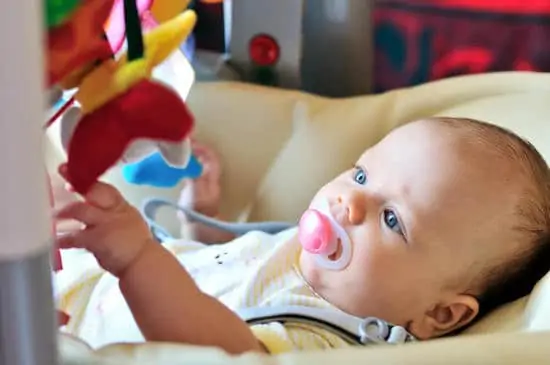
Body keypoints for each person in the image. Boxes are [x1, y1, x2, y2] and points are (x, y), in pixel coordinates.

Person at [54, 117, 550, 355]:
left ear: (439, 315)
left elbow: (218, 347)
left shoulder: (327, 336)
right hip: (82, 281)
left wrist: (138, 256)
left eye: (393, 219)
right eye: (360, 175)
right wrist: (200, 222)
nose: (349, 202)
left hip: (74, 331)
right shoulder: (321, 264)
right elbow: (233, 279)